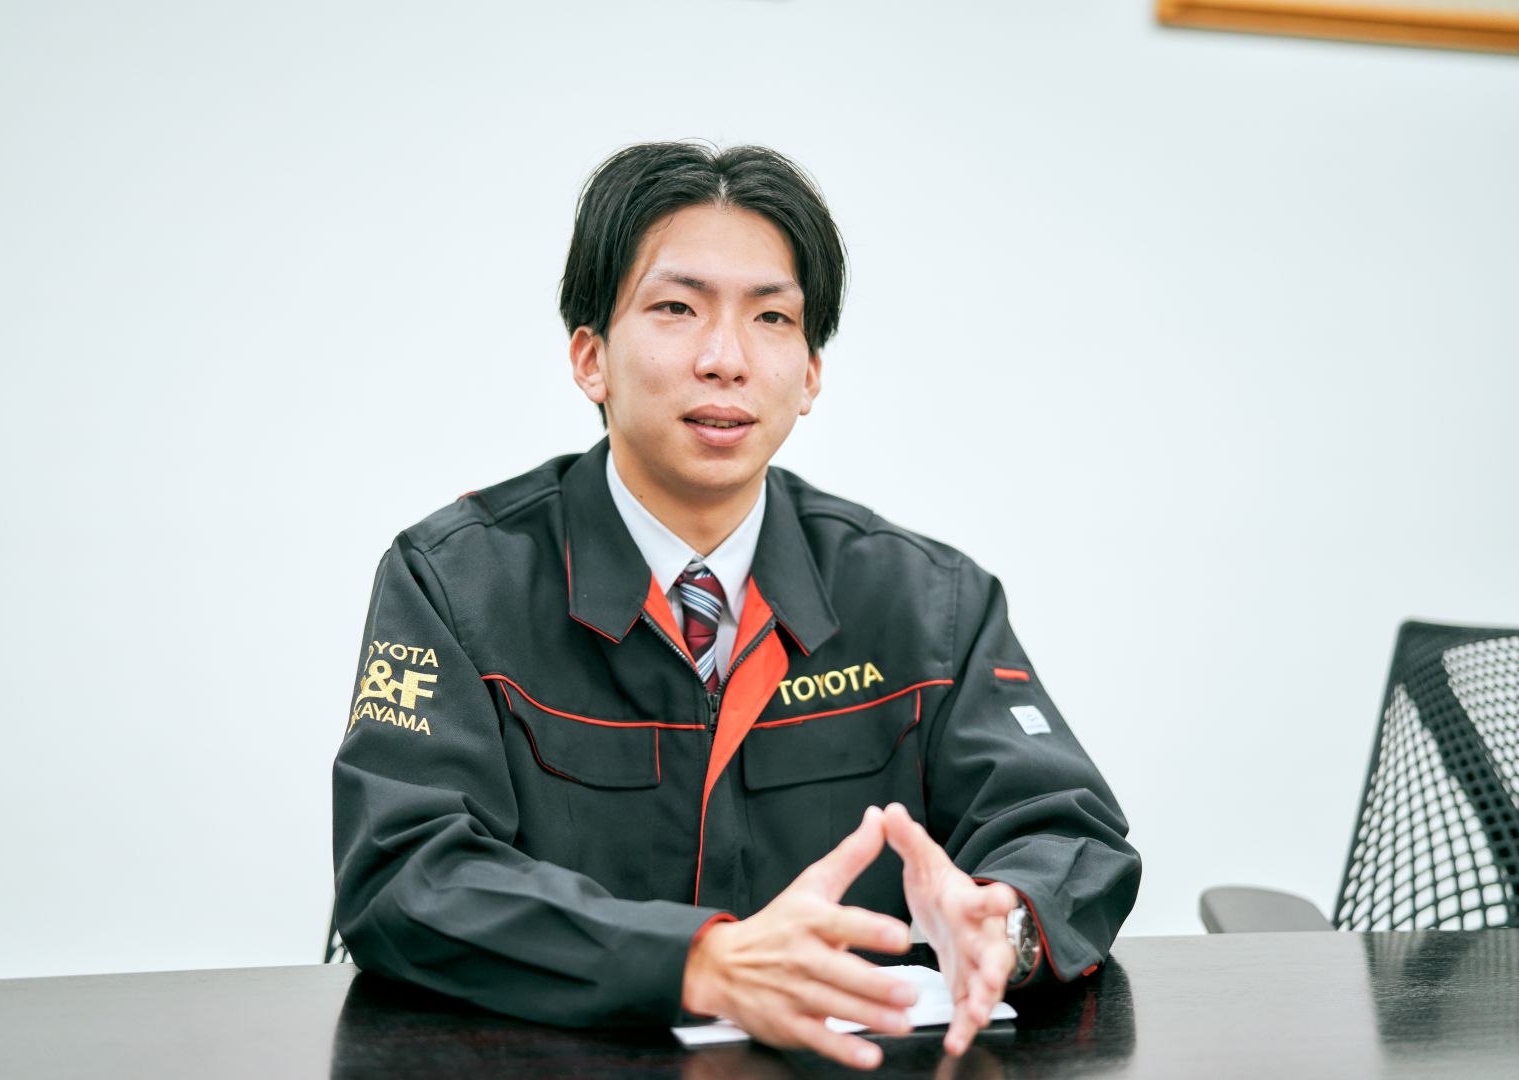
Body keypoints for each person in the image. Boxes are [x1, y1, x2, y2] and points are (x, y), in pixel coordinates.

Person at [331, 142, 1140, 1071]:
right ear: (590, 358)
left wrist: (1007, 925)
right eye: (676, 309)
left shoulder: (927, 602)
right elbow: (405, 873)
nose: (725, 360)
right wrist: (697, 963)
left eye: (771, 318)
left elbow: (1066, 832)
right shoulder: (455, 583)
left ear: (811, 373)